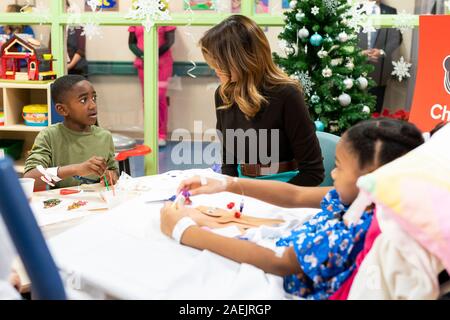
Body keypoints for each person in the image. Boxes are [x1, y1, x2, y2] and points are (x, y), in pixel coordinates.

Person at [160, 118, 425, 299]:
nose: (332, 172)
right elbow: (296, 195)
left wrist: (184, 231)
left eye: (340, 166)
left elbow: (280, 262)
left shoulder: (356, 229)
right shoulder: (362, 201)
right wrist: (225, 183)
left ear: (370, 178)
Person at [199, 15, 324, 186]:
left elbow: (313, 173)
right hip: (242, 187)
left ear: (243, 60)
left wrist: (264, 197)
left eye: (220, 64)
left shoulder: (287, 95)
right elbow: (229, 161)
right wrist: (229, 190)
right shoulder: (223, 94)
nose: (215, 70)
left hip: (284, 187)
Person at [24, 75, 118, 189]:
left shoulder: (105, 136)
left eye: (94, 98)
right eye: (83, 100)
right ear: (62, 109)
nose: (93, 105)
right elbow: (30, 177)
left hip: (97, 201)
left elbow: (113, 170)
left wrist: (111, 175)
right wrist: (77, 169)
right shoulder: (49, 136)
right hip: (63, 203)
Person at [128, 24, 176, 147]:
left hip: (162, 63)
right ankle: (150, 135)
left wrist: (153, 54)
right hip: (143, 64)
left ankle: (161, 134)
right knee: (147, 99)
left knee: (159, 98)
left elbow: (170, 41)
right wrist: (144, 56)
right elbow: (131, 43)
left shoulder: (165, 16)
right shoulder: (136, 17)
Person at [358, 0, 402, 113]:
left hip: (380, 69)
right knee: (354, 105)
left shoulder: (390, 11)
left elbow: (397, 37)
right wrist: (359, 53)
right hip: (356, 65)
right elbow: (346, 35)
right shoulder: (355, 9)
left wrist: (382, 51)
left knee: (375, 107)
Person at [65, 0, 88, 77]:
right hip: (61, 67)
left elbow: (81, 50)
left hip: (78, 70)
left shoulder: (77, 26)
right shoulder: (56, 27)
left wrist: (68, 66)